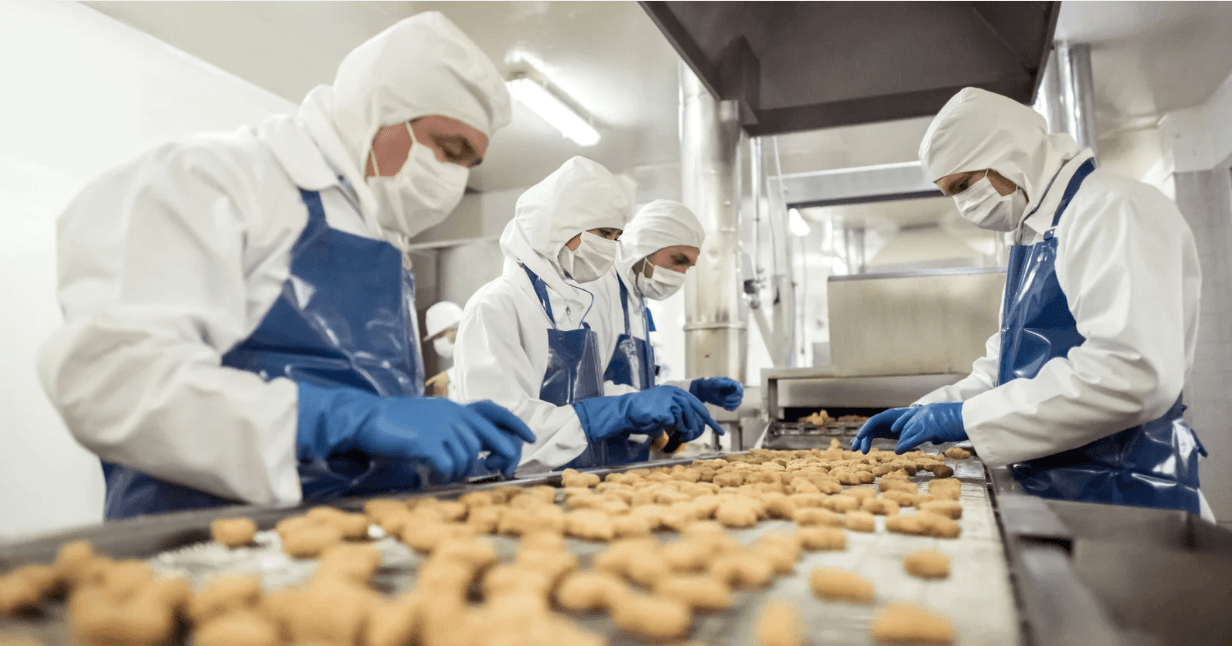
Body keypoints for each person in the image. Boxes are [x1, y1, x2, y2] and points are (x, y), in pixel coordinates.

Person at [36, 13, 535, 520]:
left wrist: (431, 422)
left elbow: (367, 392)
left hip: (360, 539)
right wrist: (342, 418)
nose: (452, 178)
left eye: (468, 165)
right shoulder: (215, 182)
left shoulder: (383, 238)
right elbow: (111, 382)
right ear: (380, 110)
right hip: (202, 545)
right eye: (449, 149)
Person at [851, 87, 1211, 518]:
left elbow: (1131, 373)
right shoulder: (1039, 234)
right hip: (1062, 489)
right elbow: (1009, 365)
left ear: (1008, 154)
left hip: (1128, 496)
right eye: (950, 193)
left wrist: (966, 418)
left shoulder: (1112, 209)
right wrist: (928, 409)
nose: (963, 205)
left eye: (963, 185)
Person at [454, 157, 723, 471]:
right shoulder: (497, 305)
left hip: (569, 485)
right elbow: (499, 433)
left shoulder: (568, 308)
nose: (611, 248)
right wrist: (614, 411)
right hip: (516, 494)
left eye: (615, 238)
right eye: (604, 234)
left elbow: (578, 397)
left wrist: (647, 403)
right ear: (561, 225)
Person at [593, 200, 744, 447]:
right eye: (678, 260)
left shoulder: (637, 301)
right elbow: (581, 394)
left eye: (688, 266)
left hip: (626, 457)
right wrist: (646, 408)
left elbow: (638, 389)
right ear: (646, 246)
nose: (681, 273)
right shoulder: (598, 290)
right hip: (591, 456)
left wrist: (693, 389)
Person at [423, 301, 463, 398]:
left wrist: (449, 376)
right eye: (436, 337)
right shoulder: (457, 365)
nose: (437, 342)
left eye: (440, 335)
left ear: (458, 329)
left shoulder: (483, 348)